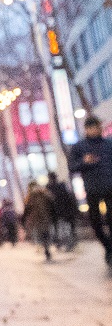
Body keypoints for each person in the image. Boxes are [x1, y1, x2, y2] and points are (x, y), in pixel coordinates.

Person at [69, 114, 112, 267]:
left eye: (96, 127)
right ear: (87, 129)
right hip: (92, 189)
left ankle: (110, 251)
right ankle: (108, 247)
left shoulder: (109, 144)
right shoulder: (79, 147)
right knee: (96, 223)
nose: (95, 130)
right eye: (91, 128)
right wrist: (84, 162)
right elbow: (72, 167)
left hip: (110, 187)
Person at [45, 171, 78, 252]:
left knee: (60, 229)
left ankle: (64, 244)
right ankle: (68, 243)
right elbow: (68, 198)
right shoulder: (61, 186)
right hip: (63, 212)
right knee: (65, 229)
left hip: (57, 213)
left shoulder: (49, 188)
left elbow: (49, 203)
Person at [23, 180, 55, 261]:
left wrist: (24, 219)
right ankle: (47, 249)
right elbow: (52, 202)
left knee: (42, 234)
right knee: (46, 233)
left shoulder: (30, 196)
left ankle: (46, 249)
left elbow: (27, 209)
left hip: (37, 218)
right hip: (46, 217)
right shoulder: (44, 192)